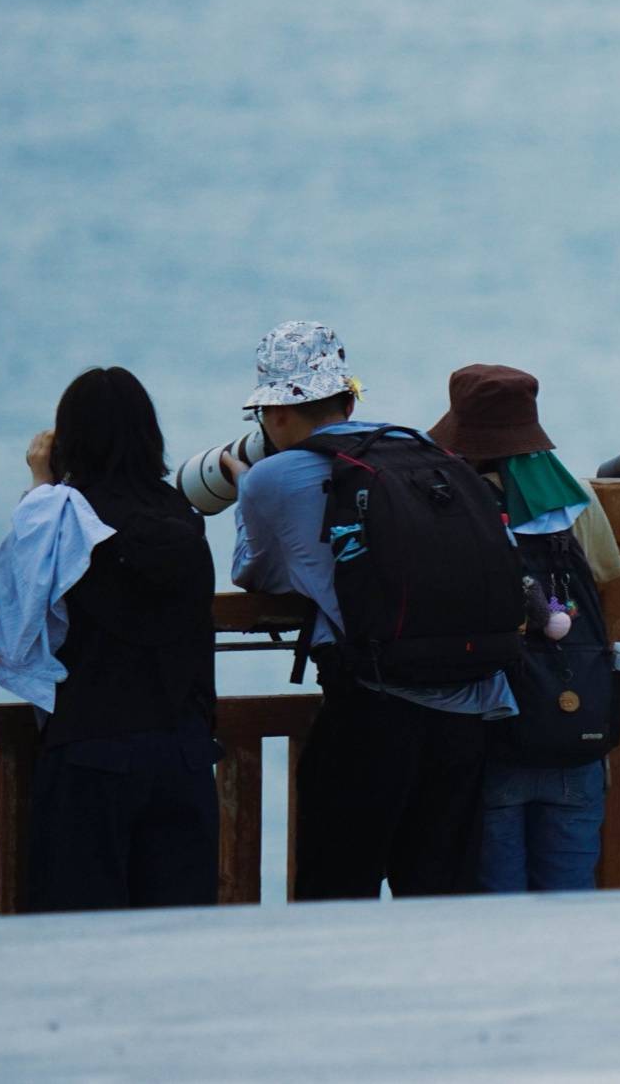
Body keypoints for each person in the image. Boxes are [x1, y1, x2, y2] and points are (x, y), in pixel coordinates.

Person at [222, 321, 517, 900]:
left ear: (277, 413)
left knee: (334, 899)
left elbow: (253, 572)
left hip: (372, 713)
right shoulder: (424, 449)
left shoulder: (275, 478)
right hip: (467, 708)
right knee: (440, 903)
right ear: (350, 397)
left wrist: (245, 490)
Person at [0, 367, 219, 912]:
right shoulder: (182, 515)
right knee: (176, 942)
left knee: (77, 943)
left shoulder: (67, 518)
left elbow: (17, 610)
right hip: (183, 754)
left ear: (71, 440)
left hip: (93, 751)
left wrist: (42, 484)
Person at [427, 363, 620, 892]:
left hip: (491, 727)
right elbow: (609, 571)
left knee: (500, 909)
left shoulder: (445, 498)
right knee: (569, 899)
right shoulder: (571, 497)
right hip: (572, 722)